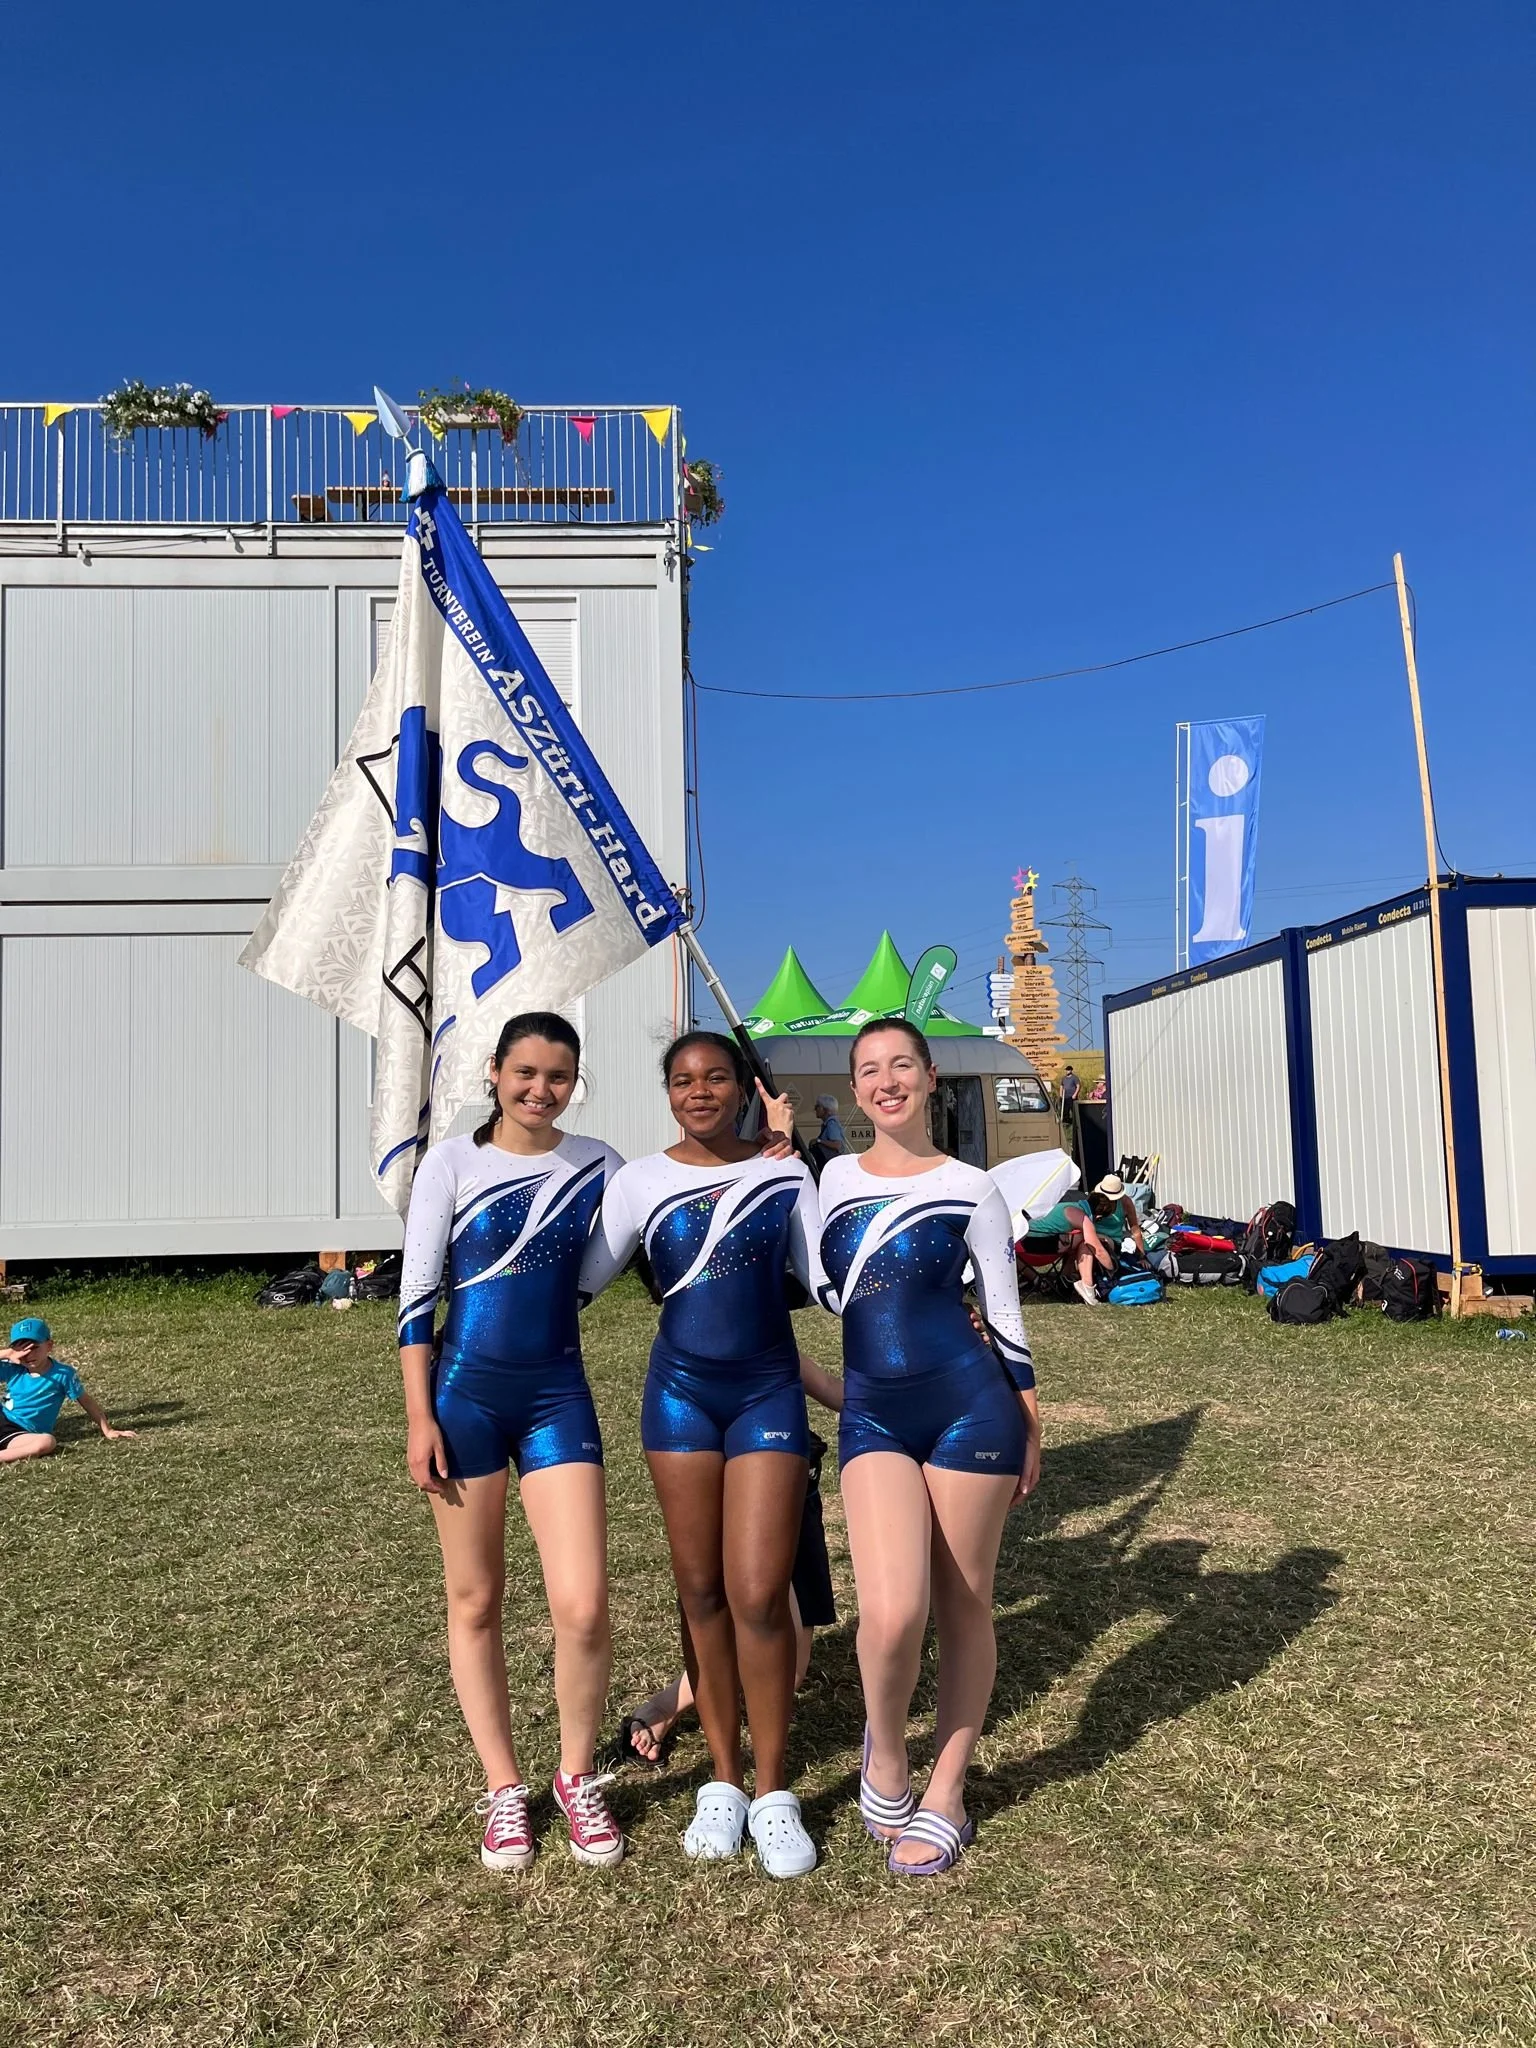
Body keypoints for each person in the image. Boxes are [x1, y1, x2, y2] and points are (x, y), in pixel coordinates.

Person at [581, 1031, 821, 1879]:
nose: (700, 1092)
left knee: (758, 1594)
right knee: (702, 1593)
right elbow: (577, 1282)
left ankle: (776, 1791)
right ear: (668, 1093)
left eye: (717, 1077)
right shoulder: (639, 1182)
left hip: (766, 1396)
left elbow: (832, 1282)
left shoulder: (784, 1173)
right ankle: (724, 1782)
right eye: (683, 1080)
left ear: (745, 1090)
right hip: (679, 1401)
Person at [399, 1012, 627, 1875]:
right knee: (475, 1600)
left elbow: (600, 1269)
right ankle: (503, 1787)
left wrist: (772, 1146)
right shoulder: (452, 1163)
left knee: (584, 1604)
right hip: (464, 1400)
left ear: (575, 1081)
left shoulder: (598, 1164)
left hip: (557, 1398)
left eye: (558, 1076)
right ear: (494, 1072)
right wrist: (420, 1417)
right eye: (525, 1072)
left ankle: (576, 1776)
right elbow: (417, 1297)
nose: (540, 1090)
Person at [817, 1018, 1041, 1876]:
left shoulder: (971, 1187)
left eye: (902, 1064)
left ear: (931, 1075)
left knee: (964, 1604)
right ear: (854, 1088)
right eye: (870, 1069)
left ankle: (946, 1791)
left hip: (970, 1411)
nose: (888, 1081)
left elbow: (1004, 1311)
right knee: (891, 1612)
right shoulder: (830, 1179)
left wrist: (1029, 1419)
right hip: (874, 1414)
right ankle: (886, 1752)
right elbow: (828, 1289)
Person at [614, 1355, 843, 1767]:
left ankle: (677, 1700)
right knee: (716, 1604)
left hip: (784, 1472)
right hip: (710, 1469)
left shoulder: (775, 1340)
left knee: (791, 1672)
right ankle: (669, 1705)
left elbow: (830, 1386)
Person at [0, 1318, 137, 1462]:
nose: (28, 1354)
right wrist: (7, 1353)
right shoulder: (13, 1368)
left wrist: (108, 1430)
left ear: (49, 1346)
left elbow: (86, 1401)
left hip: (20, 1433)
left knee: (47, 1442)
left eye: (33, 1347)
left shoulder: (63, 1374)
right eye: (20, 1349)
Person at [1021, 1190, 1114, 1306]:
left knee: (1076, 1239)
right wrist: (1113, 1269)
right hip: (1037, 1248)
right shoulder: (1082, 1217)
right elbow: (1098, 1250)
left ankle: (1065, 1280)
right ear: (1098, 1216)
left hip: (1022, 1245)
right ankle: (1086, 1285)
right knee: (1085, 1241)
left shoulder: (1068, 1206)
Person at [810, 1093, 848, 1172]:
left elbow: (837, 1145)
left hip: (834, 1167)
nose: (815, 1109)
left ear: (826, 1109)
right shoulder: (828, 1124)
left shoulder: (832, 1124)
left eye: (818, 1106)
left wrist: (818, 1141)